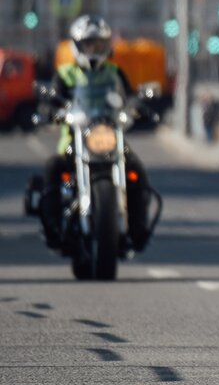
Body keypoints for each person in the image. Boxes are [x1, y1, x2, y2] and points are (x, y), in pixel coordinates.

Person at [39, 14, 153, 253]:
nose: (93, 49)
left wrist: (138, 106)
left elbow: (129, 97)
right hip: (73, 141)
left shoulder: (114, 72)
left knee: (137, 173)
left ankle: (137, 230)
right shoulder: (65, 74)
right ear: (77, 45)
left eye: (98, 44)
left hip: (109, 137)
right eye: (88, 44)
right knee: (51, 169)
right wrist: (51, 111)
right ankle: (52, 230)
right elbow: (52, 99)